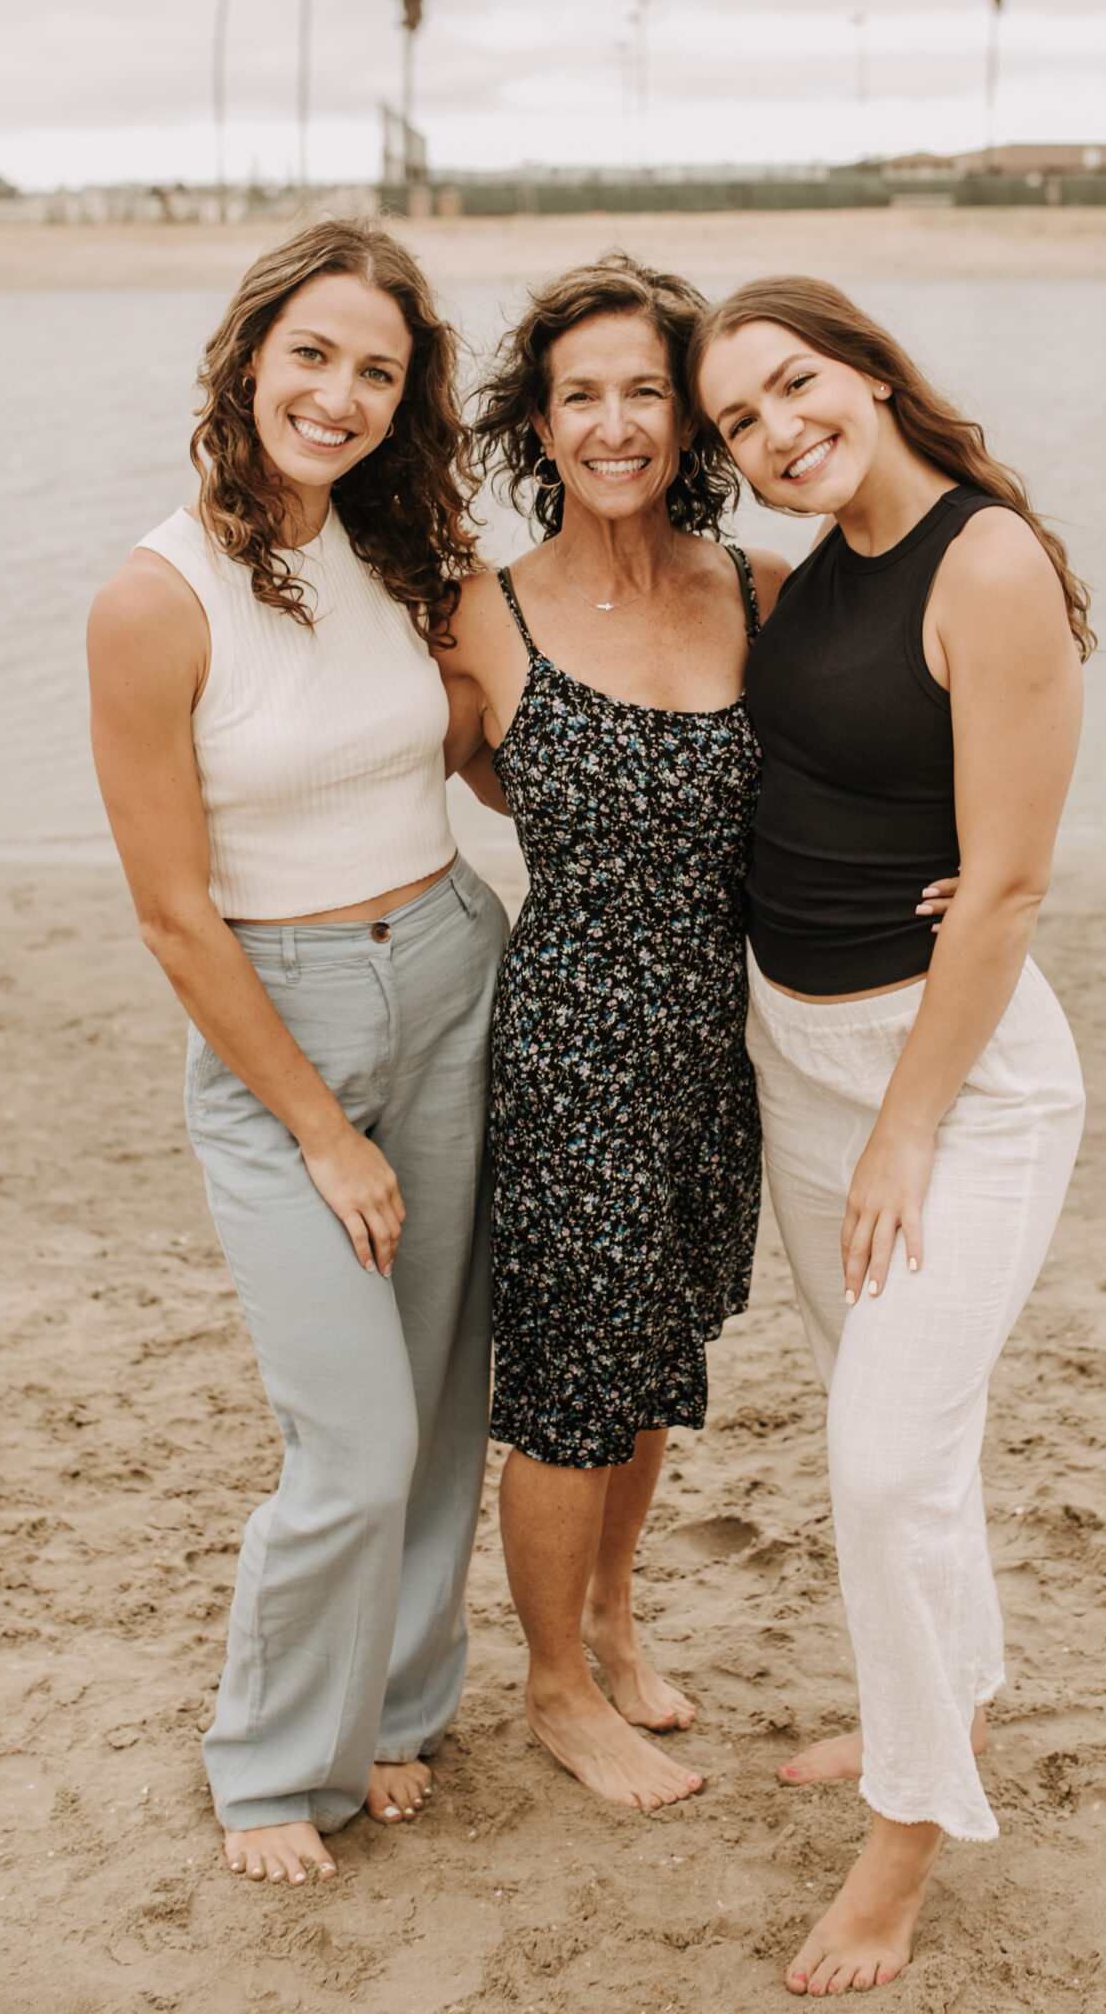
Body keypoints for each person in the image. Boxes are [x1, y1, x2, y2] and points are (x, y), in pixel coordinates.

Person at [87, 218, 508, 1889]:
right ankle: (272, 1764)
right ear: (248, 357)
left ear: (407, 403)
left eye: (378, 372)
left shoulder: (408, 559)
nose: (337, 395)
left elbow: (486, 760)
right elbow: (175, 916)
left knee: (437, 1396)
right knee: (349, 1431)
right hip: (282, 1020)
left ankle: (391, 1715)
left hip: (457, 970)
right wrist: (322, 1133)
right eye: (313, 355)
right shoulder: (154, 598)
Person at [691, 277, 1092, 1995]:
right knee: (909, 1438)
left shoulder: (984, 559)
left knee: (876, 1459)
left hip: (956, 1082)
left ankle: (906, 1838)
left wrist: (907, 1132)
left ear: (866, 368)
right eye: (741, 423)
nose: (779, 429)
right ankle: (954, 1694)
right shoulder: (816, 575)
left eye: (795, 385)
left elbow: (1004, 883)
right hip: (805, 1058)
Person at [436, 254, 786, 1812]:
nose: (614, 421)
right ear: (541, 422)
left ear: (689, 412)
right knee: (572, 1383)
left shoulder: (760, 591)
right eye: (581, 394)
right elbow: (401, 783)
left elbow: (866, 755)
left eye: (645, 388)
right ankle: (556, 1686)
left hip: (718, 1045)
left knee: (649, 1366)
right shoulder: (481, 618)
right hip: (573, 1038)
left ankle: (614, 1615)